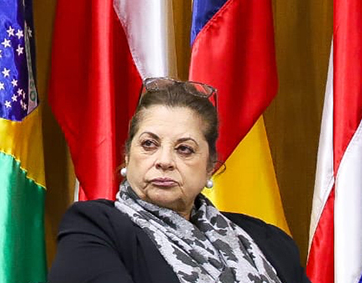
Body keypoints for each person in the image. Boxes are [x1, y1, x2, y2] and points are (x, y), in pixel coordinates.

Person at [49, 78, 309, 283]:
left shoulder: (268, 240)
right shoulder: (95, 226)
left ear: (209, 167)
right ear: (127, 156)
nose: (164, 161)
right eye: (149, 144)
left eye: (184, 149)